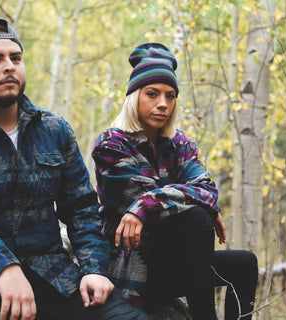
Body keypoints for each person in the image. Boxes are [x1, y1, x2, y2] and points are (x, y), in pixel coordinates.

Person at [0, 18, 150, 320]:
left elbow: (81, 209)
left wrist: (93, 269)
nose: (9, 66)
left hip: (53, 277)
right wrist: (3, 265)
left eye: (16, 58)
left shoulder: (54, 130)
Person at [91, 42, 258, 320]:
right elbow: (165, 203)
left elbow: (207, 190)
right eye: (152, 94)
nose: (163, 104)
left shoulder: (179, 143)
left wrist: (147, 205)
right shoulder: (111, 144)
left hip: (180, 263)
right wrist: (185, 203)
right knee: (196, 217)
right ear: (134, 96)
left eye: (170, 96)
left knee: (245, 264)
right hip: (134, 268)